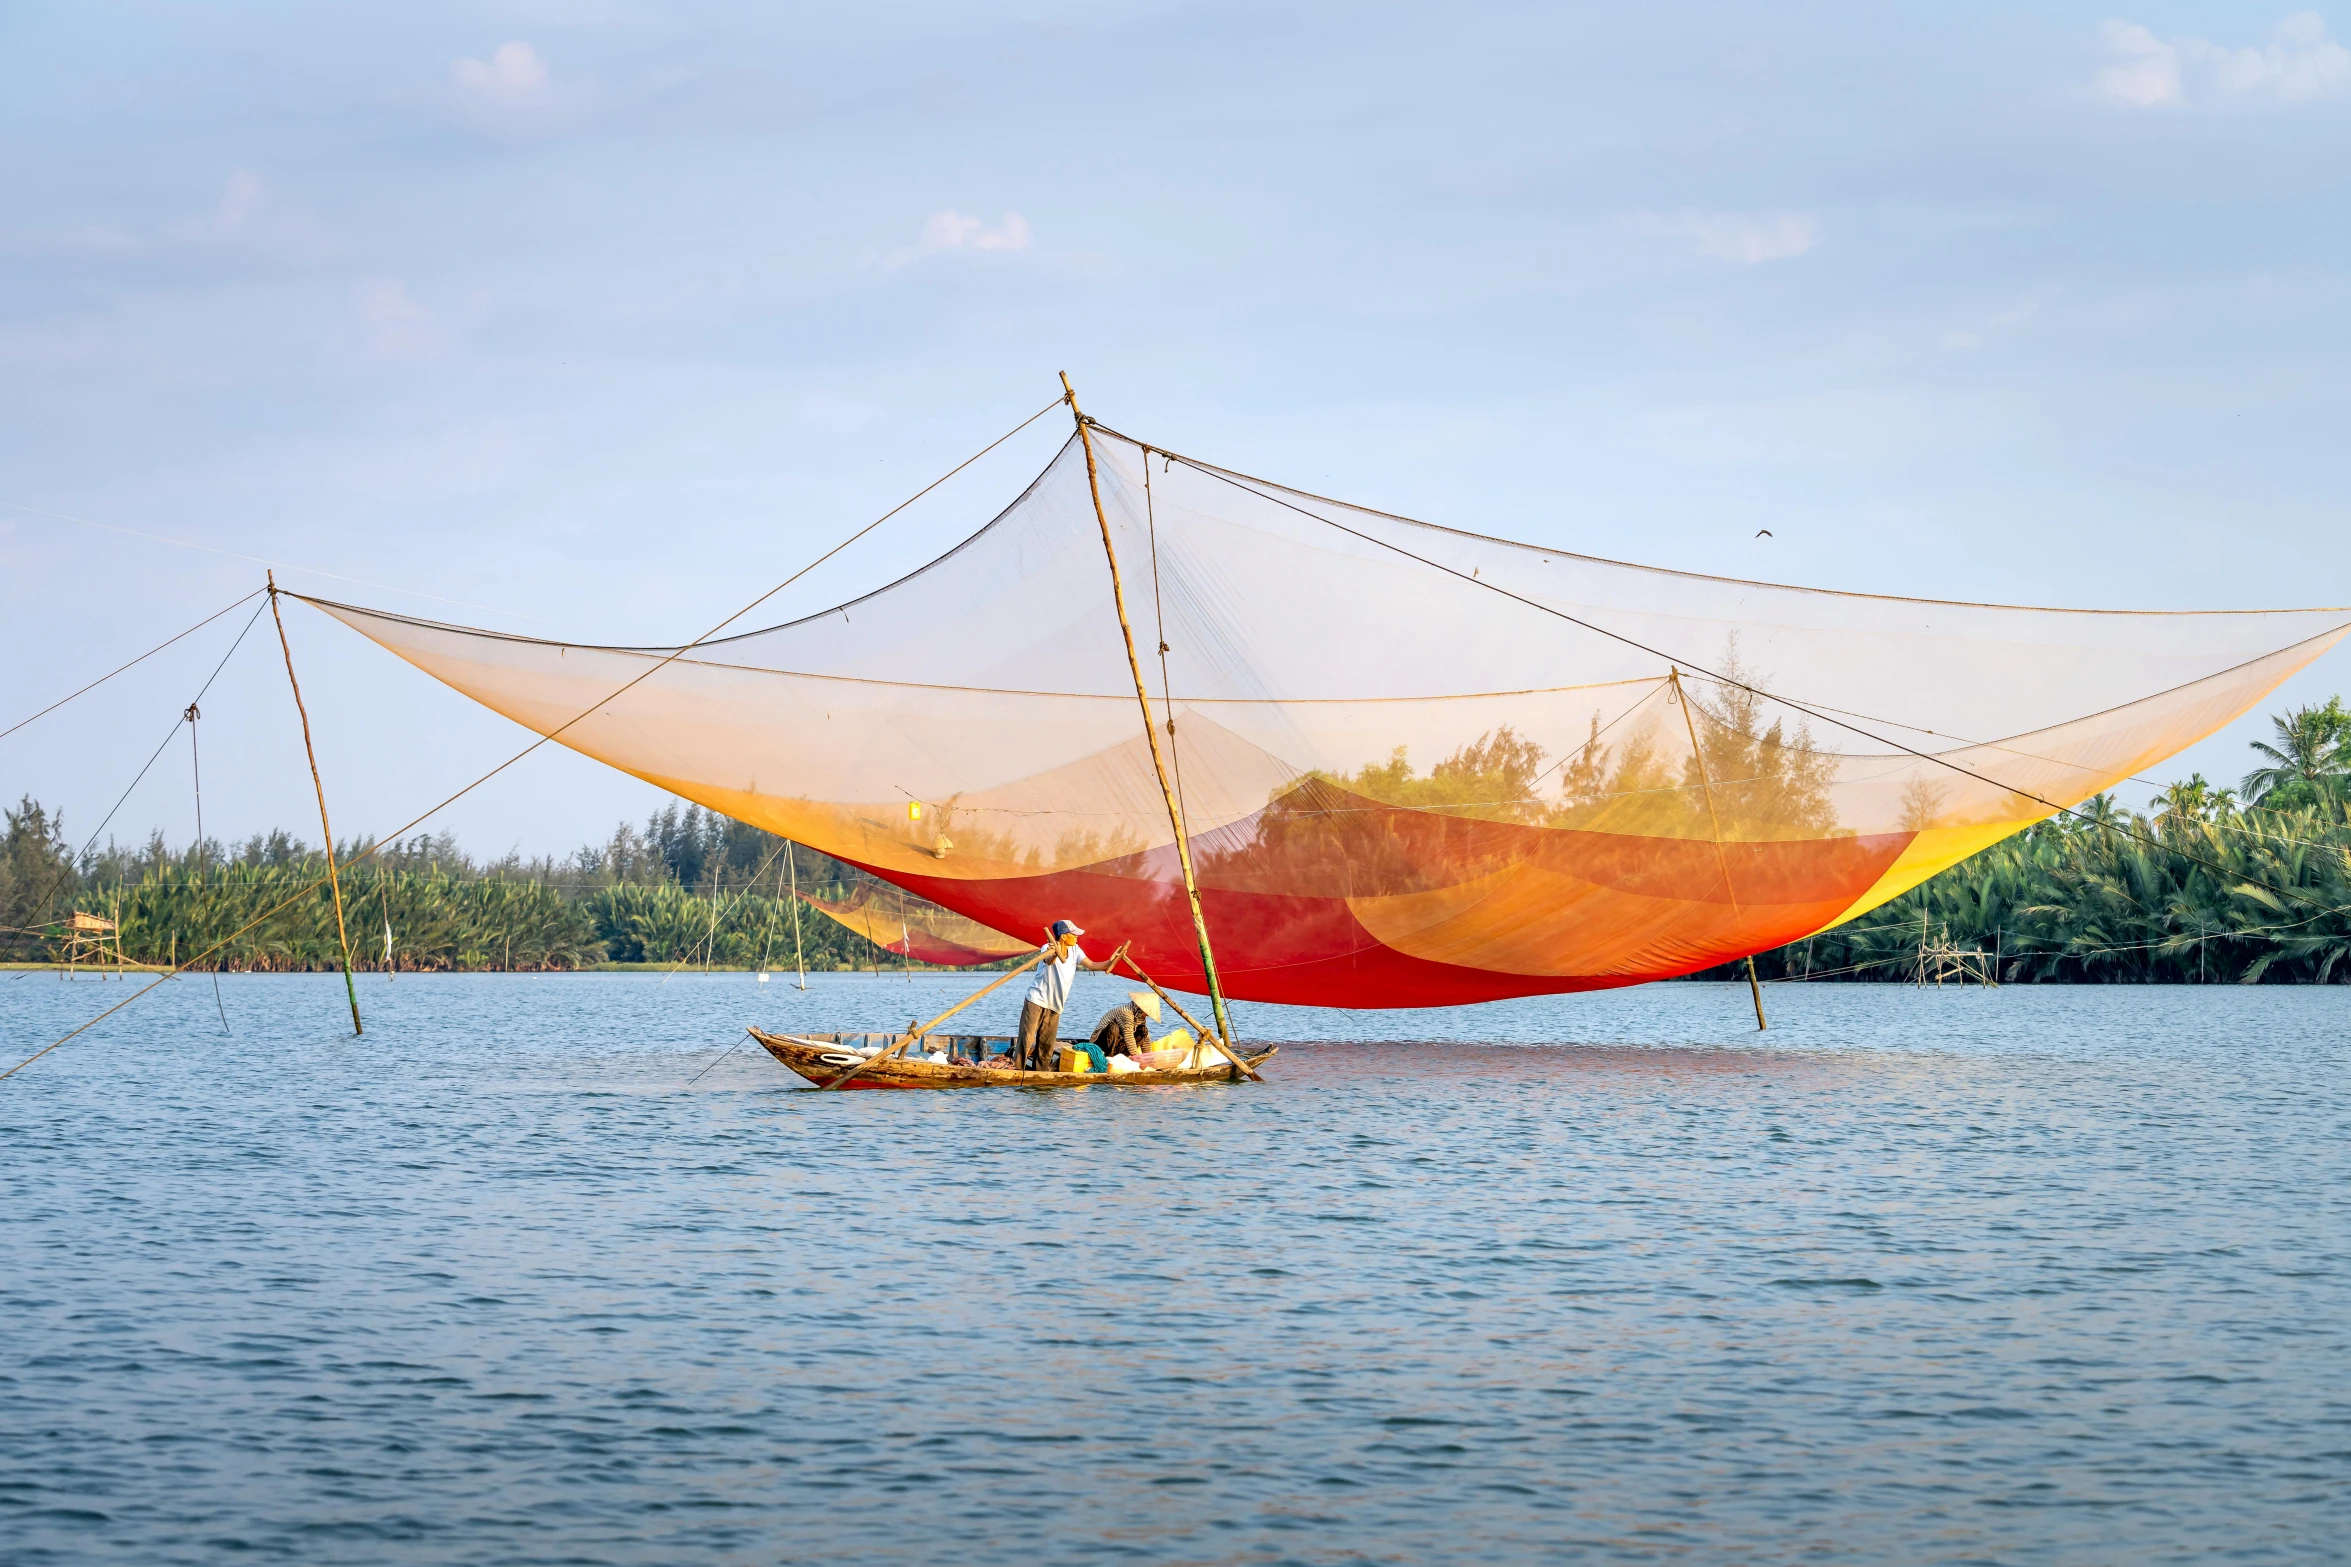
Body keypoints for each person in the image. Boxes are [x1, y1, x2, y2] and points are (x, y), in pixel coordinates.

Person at [1016, 919, 1126, 1070]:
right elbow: (1048, 960)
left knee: (1047, 1045)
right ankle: (1018, 1072)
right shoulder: (1047, 947)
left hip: (1056, 1004)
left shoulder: (1075, 950)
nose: (1077, 937)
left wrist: (1110, 961)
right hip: (1036, 1000)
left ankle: (1039, 1076)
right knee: (1026, 1039)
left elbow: (1092, 965)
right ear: (1063, 936)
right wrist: (1054, 953)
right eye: (1073, 934)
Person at [1091, 990, 1161, 1059]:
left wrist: (1148, 1058)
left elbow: (1145, 1038)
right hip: (1100, 1042)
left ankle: (1120, 1056)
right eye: (1147, 1013)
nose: (1147, 1015)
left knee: (1143, 1030)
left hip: (1117, 1041)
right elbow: (1128, 1035)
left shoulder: (1139, 1015)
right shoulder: (1126, 1012)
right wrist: (1136, 1056)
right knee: (1113, 1027)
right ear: (1141, 1008)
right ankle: (1108, 1057)